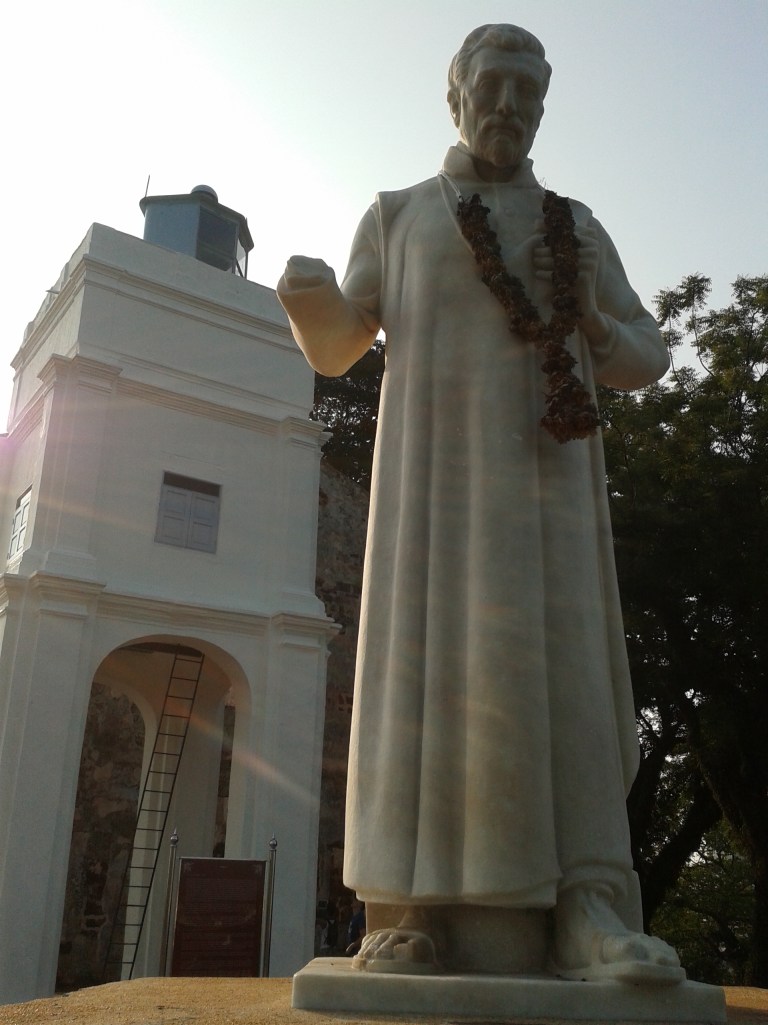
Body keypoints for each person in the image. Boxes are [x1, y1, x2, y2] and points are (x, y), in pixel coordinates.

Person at [278, 24, 681, 984]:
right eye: (493, 86)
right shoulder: (401, 214)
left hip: (550, 496)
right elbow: (339, 346)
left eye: (528, 92)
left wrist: (587, 313)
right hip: (435, 498)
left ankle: (587, 906)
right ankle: (407, 911)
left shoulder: (575, 224)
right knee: (425, 673)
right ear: (454, 95)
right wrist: (309, 300)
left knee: (566, 678)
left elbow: (647, 355)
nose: (510, 106)